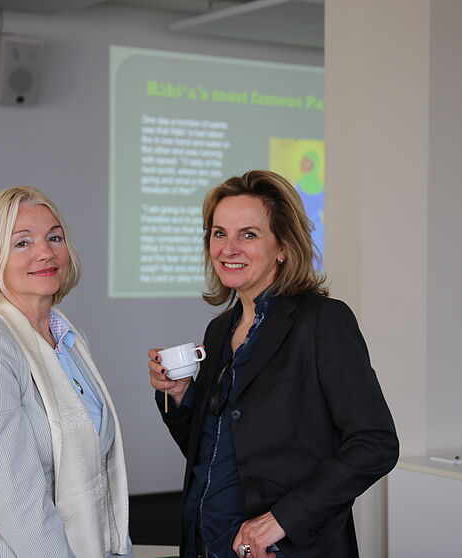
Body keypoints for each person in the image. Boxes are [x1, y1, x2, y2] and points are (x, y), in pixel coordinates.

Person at [147, 170, 399, 558]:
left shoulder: (322, 322)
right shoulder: (218, 332)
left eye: (248, 234)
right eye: (219, 233)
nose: (228, 248)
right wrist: (181, 396)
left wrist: (281, 519)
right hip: (209, 542)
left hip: (284, 549)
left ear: (282, 246)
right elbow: (212, 451)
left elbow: (375, 444)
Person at [0, 186, 131, 558]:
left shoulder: (67, 341)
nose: (45, 252)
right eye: (22, 243)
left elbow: (98, 475)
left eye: (54, 237)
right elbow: (17, 503)